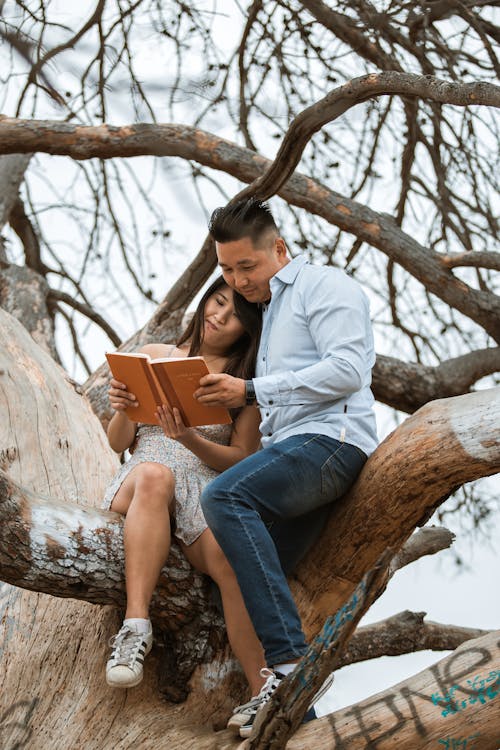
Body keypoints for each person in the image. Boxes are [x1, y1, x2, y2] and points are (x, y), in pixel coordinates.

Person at [196, 198, 379, 737]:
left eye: (245, 267)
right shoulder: (270, 313)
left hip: (330, 444)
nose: (236, 279)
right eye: (226, 269)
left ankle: (291, 669)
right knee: (236, 573)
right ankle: (299, 720)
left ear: (279, 248)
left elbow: (348, 369)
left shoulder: (326, 286)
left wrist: (250, 388)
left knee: (225, 498)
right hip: (294, 454)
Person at [102, 275, 267, 697]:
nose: (218, 316)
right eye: (216, 301)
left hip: (199, 490)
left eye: (233, 316)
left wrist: (190, 438)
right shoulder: (156, 355)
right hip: (142, 478)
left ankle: (262, 690)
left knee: (233, 561)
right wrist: (123, 409)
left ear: (247, 331)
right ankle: (135, 628)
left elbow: (245, 456)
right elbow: (118, 442)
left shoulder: (240, 384)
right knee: (158, 475)